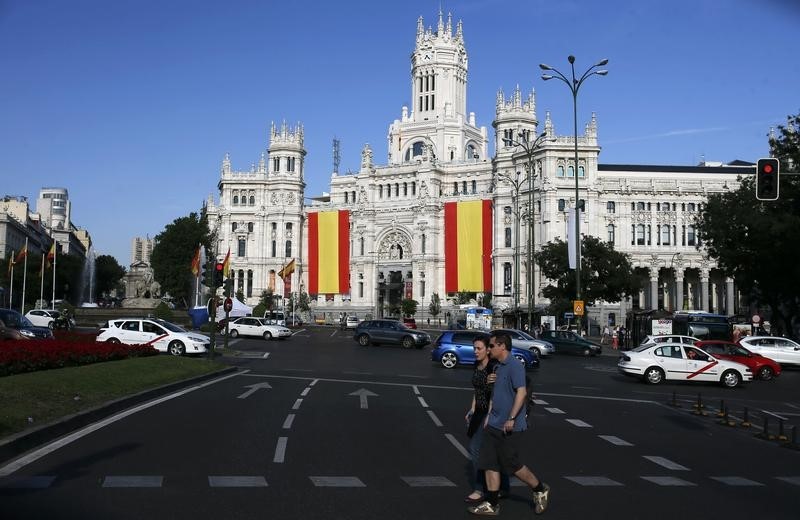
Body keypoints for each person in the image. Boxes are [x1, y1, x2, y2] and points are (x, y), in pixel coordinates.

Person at [469, 332, 550, 516]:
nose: (488, 349)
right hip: (494, 423)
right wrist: (489, 414)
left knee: (511, 464)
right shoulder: (497, 367)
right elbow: (497, 394)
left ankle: (539, 488)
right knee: (489, 463)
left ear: (502, 346)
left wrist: (511, 418)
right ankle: (491, 503)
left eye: (491, 346)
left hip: (510, 425)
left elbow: (521, 393)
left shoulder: (515, 366)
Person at [464, 334, 510, 504]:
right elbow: (477, 390)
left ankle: (479, 488)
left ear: (488, 350)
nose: (475, 352)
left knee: (476, 449)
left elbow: (495, 395)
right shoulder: (477, 365)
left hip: (491, 413)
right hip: (479, 412)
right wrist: (472, 409)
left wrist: (489, 415)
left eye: (479, 348)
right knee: (495, 453)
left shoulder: (494, 368)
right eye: (474, 348)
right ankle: (503, 487)